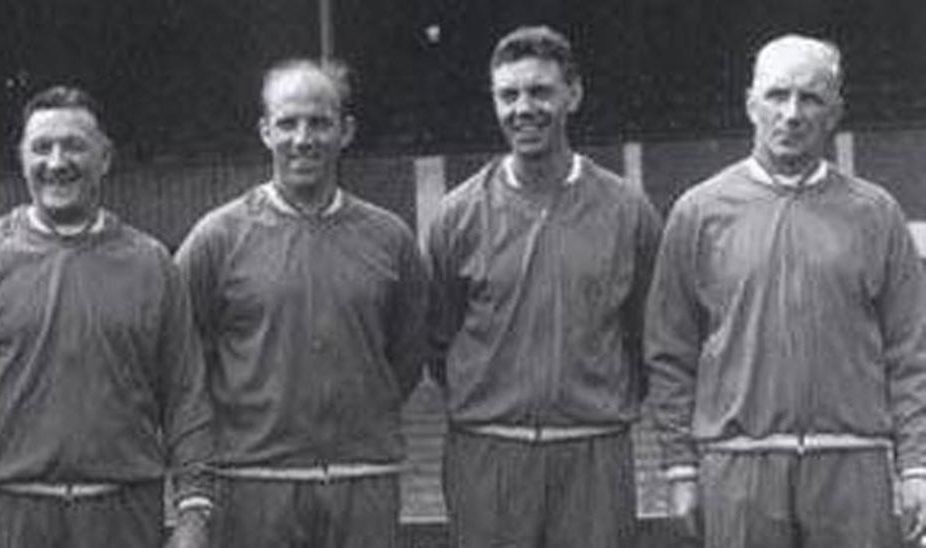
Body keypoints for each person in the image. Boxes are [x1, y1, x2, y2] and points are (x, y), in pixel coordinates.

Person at [647, 34, 926, 547]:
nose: (792, 113)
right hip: (739, 466)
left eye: (811, 97)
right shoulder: (698, 212)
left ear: (836, 111)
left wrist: (917, 467)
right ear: (751, 103)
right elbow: (671, 353)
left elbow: (912, 351)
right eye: (777, 95)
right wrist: (679, 469)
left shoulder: (876, 213)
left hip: (852, 462)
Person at [0, 85, 213, 548]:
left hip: (123, 515)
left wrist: (194, 513)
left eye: (74, 145)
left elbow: (186, 399)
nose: (56, 162)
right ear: (21, 157)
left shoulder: (152, 264)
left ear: (105, 157)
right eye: (41, 148)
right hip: (7, 516)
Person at [174, 58, 428, 547]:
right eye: (288, 123)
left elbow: (407, 356)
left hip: (363, 479)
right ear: (266, 130)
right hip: (254, 486)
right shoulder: (217, 237)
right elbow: (183, 363)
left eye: (319, 122)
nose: (303, 138)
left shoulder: (390, 237)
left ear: (346, 130)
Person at [424, 26, 660, 548]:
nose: (523, 108)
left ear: (572, 95)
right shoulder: (458, 215)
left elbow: (645, 338)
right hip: (489, 452)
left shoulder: (627, 211)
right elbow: (439, 342)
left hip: (593, 452)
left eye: (540, 92)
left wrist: (588, 400)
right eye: (508, 95)